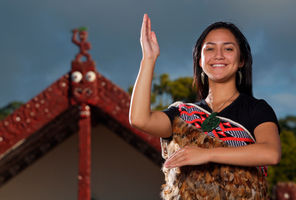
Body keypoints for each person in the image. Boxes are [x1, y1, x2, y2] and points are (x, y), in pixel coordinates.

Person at [129, 13, 281, 193]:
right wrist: (148, 58)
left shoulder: (256, 109)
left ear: (241, 60)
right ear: (200, 61)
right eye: (209, 49)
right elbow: (140, 119)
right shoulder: (183, 113)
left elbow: (271, 153)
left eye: (228, 49)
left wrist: (207, 154)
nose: (218, 56)